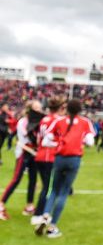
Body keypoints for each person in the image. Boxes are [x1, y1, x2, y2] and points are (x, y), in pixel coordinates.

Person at [35, 99, 95, 238]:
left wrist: (59, 144)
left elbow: (46, 140)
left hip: (60, 158)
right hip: (74, 159)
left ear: (66, 109)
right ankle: (52, 226)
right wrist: (80, 142)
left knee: (54, 190)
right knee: (63, 192)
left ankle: (45, 215)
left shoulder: (59, 121)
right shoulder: (85, 122)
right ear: (80, 109)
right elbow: (90, 142)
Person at [0, 100, 43, 220]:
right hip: (24, 152)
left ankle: (29, 206)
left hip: (34, 153)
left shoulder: (40, 122)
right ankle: (1, 204)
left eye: (40, 108)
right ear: (30, 109)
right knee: (16, 179)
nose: (39, 110)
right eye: (36, 108)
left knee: (33, 180)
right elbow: (29, 137)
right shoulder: (23, 122)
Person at [30, 96, 66, 225]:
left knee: (46, 186)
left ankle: (40, 212)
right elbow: (51, 138)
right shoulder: (58, 120)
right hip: (48, 156)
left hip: (40, 154)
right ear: (61, 108)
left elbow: (39, 137)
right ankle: (39, 214)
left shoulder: (44, 119)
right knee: (49, 188)